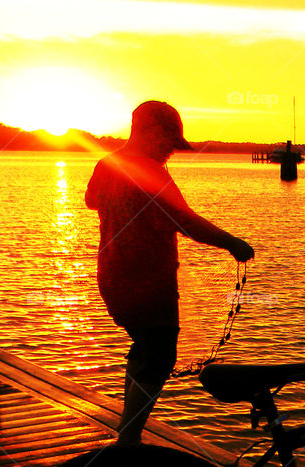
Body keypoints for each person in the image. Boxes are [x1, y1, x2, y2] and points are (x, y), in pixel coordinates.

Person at [86, 100, 254, 445]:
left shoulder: (107, 164)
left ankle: (126, 432)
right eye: (168, 142)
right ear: (150, 131)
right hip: (148, 281)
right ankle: (128, 441)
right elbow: (186, 220)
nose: (170, 152)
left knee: (145, 346)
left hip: (112, 277)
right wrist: (231, 242)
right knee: (160, 355)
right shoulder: (149, 171)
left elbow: (91, 200)